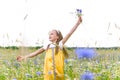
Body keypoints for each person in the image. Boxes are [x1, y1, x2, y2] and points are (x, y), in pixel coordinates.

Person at [17, 16, 82, 80]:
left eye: (52, 34)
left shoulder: (60, 44)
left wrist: (77, 23)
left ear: (57, 37)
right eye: (49, 34)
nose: (50, 35)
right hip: (48, 73)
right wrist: (24, 57)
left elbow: (69, 33)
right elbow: (35, 53)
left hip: (58, 73)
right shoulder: (47, 46)